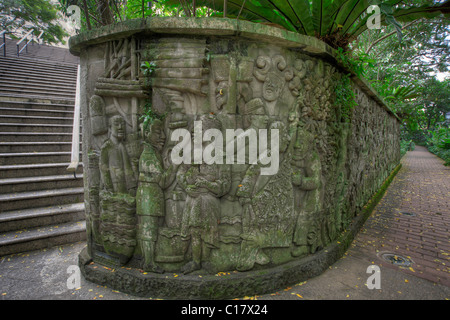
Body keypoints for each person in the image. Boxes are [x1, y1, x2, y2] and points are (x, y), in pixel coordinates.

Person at [136, 119, 178, 273]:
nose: (163, 136)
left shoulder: (154, 153)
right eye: (157, 131)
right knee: (149, 231)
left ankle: (148, 261)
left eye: (162, 131)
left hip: (153, 199)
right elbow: (163, 181)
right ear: (146, 134)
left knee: (151, 231)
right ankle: (148, 262)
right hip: (149, 200)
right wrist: (174, 165)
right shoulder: (148, 154)